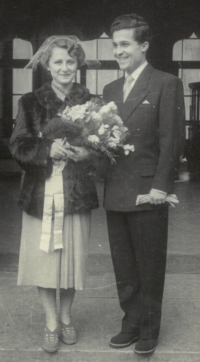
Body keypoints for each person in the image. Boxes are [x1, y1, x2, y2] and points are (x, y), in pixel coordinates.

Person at [9, 36, 99, 353]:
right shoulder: (30, 102)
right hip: (40, 196)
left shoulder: (90, 102)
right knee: (44, 261)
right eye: (58, 62)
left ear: (78, 65)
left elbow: (99, 147)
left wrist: (85, 153)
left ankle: (66, 316)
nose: (64, 68)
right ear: (48, 65)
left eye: (70, 62)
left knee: (71, 261)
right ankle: (49, 321)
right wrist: (49, 149)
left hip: (76, 195)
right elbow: (18, 146)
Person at [103, 14, 185, 355]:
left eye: (125, 44)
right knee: (123, 265)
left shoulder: (166, 83)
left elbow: (172, 140)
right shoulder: (109, 90)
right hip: (116, 191)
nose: (118, 51)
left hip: (148, 190)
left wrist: (160, 189)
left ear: (144, 46)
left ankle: (149, 328)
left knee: (149, 264)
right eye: (115, 45)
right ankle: (131, 322)